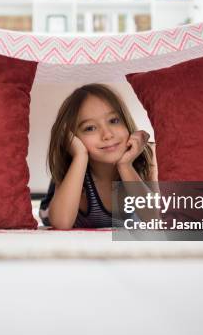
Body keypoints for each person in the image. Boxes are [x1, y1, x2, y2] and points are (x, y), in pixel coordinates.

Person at [39, 83, 157, 229]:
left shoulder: (148, 155)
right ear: (73, 139)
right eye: (90, 128)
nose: (107, 134)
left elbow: (156, 217)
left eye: (114, 120)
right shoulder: (73, 164)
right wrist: (80, 156)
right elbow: (61, 223)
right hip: (54, 206)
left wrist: (125, 165)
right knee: (52, 210)